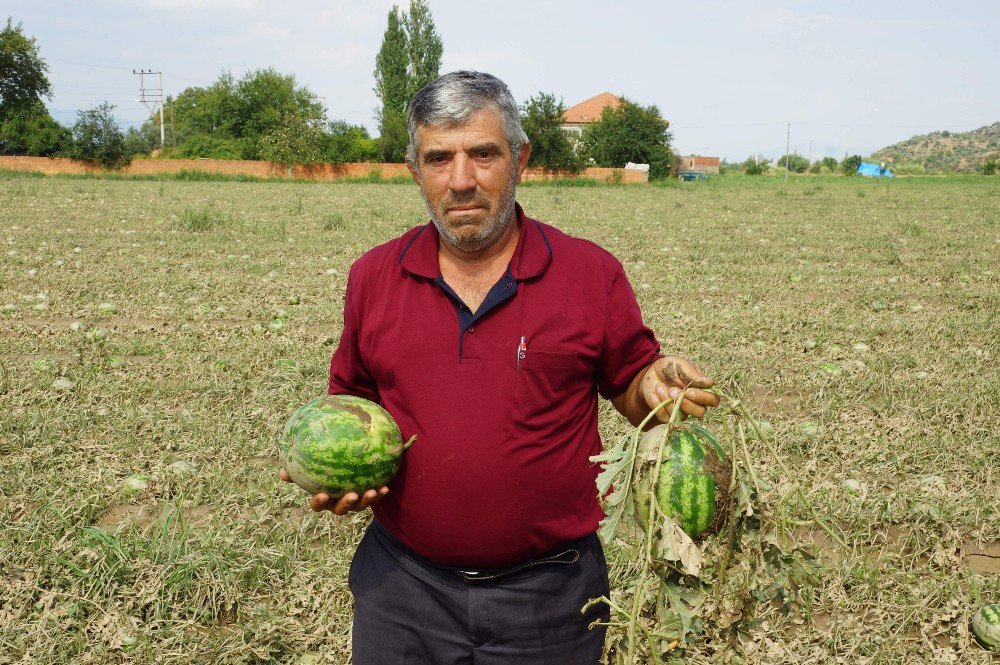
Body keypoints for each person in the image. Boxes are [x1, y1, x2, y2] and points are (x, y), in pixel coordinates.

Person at [279, 70, 719, 664]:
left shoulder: (591, 274)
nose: (461, 181)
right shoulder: (374, 276)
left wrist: (656, 385)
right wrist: (338, 482)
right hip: (402, 590)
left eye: (484, 154)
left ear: (520, 159)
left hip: (552, 597)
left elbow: (631, 382)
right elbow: (348, 403)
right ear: (415, 171)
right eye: (439, 158)